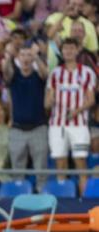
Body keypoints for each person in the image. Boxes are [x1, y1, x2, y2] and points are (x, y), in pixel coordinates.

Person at [45, 37, 96, 194]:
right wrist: (50, 101)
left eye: (71, 48)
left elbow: (91, 99)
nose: (68, 51)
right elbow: (47, 102)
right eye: (65, 48)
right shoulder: (55, 73)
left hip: (79, 124)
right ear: (62, 51)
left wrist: (76, 111)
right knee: (60, 161)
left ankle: (84, 198)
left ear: (77, 50)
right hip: (57, 124)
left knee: (80, 160)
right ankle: (63, 195)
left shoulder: (86, 72)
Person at [4, 43, 48, 191]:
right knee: (17, 167)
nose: (26, 58)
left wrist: (37, 56)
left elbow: (45, 73)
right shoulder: (14, 75)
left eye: (29, 55)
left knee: (41, 168)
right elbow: (6, 72)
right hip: (17, 128)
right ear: (18, 57)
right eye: (23, 55)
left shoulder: (38, 76)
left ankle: (42, 195)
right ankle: (19, 193)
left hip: (38, 127)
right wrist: (9, 56)